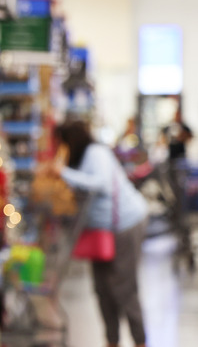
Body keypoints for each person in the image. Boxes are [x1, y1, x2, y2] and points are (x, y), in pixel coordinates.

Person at [46, 120, 148, 347]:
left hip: (125, 225)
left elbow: (100, 184)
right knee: (102, 288)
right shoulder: (83, 160)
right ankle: (111, 340)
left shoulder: (96, 153)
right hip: (101, 232)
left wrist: (63, 172)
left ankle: (140, 341)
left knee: (125, 288)